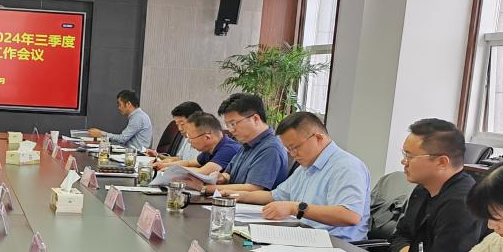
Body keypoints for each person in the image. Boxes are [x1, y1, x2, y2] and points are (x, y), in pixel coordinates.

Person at [234, 111, 370, 241]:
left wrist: (296, 208)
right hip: (306, 236)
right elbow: (276, 195)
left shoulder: (347, 166)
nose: (293, 154)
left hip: (337, 244)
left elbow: (350, 215)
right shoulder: (305, 166)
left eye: (295, 147)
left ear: (318, 138)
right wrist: (238, 196)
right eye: (289, 149)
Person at [389, 118, 486, 252]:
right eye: (404, 154)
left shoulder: (462, 203)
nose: (404, 162)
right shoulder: (423, 189)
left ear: (442, 162)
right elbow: (400, 236)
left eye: (410, 156)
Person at [207, 93, 289, 193]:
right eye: (228, 125)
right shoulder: (247, 143)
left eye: (233, 124)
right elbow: (229, 174)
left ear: (255, 119)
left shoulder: (271, 149)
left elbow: (253, 189)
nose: (231, 130)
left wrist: (206, 188)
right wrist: (222, 177)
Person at [153, 111, 241, 176]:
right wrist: (163, 165)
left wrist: (170, 169)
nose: (188, 141)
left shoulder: (229, 149)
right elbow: (189, 163)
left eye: (191, 137)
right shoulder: (209, 149)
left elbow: (202, 172)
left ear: (207, 137)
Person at [87, 88, 152, 151]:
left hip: (136, 155)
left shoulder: (138, 117)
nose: (118, 108)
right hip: (131, 152)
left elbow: (122, 139)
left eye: (120, 104)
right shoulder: (138, 116)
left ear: (128, 104)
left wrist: (101, 134)